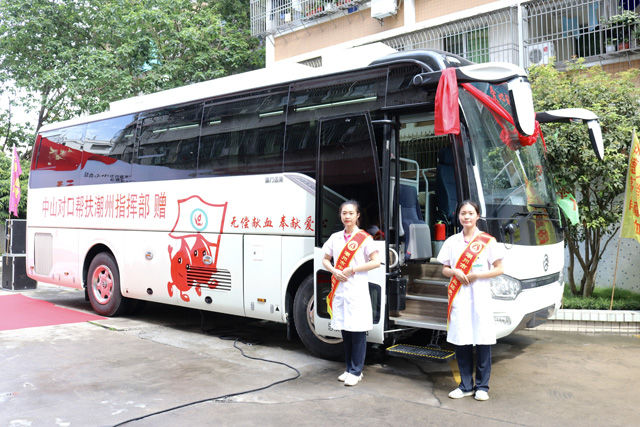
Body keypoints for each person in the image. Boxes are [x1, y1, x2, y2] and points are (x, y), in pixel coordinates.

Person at [436, 200, 504, 401]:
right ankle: (465, 386)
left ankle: (482, 387)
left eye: (470, 213)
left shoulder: (487, 241)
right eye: (463, 213)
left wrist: (477, 275)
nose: (466, 217)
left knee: (483, 341)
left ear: (477, 216)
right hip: (460, 296)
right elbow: (444, 269)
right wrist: (455, 272)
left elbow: (499, 269)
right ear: (458, 216)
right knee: (462, 341)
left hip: (480, 297)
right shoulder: (452, 241)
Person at [322, 200, 381, 386]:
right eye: (344, 213)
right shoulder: (335, 237)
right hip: (340, 289)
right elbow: (325, 259)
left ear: (358, 216)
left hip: (356, 290)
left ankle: (356, 371)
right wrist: (334, 271)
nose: (347, 216)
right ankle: (348, 368)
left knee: (358, 333)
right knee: (346, 331)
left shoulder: (364, 238)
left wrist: (352, 269)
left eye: (351, 213)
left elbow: (376, 262)